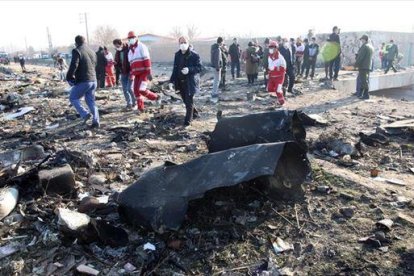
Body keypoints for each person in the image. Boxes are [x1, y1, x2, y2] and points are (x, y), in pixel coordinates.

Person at [66, 35, 99, 128]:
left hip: (84, 80)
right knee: (90, 101)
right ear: (85, 42)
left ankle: (85, 114)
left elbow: (74, 64)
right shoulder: (92, 51)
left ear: (76, 43)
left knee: (73, 97)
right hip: (93, 80)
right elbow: (95, 64)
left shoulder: (77, 51)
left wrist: (69, 76)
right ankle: (96, 121)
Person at [169, 36, 202, 127]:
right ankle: (194, 113)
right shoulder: (177, 55)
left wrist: (189, 69)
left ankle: (188, 122)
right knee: (185, 101)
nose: (183, 44)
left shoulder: (194, 55)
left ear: (188, 43)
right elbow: (175, 69)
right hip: (180, 82)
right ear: (179, 44)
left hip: (190, 82)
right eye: (181, 43)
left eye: (184, 42)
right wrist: (171, 81)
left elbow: (199, 68)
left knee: (189, 101)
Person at [127, 31, 160, 112]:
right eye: (130, 38)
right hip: (137, 74)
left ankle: (156, 97)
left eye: (133, 37)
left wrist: (149, 72)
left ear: (136, 38)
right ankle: (140, 108)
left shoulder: (141, 47)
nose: (131, 39)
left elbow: (147, 59)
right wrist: (132, 75)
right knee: (135, 91)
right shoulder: (130, 51)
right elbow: (131, 65)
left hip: (144, 73)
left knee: (141, 89)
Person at [113, 38, 136, 110]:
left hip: (130, 71)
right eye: (115, 46)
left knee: (129, 88)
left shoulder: (128, 49)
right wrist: (116, 64)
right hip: (123, 72)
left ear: (121, 44)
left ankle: (134, 103)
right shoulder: (118, 52)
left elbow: (132, 62)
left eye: (117, 46)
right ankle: (129, 104)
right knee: (124, 89)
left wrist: (132, 74)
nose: (116, 47)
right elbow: (117, 62)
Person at [266, 41, 286, 105]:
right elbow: (270, 66)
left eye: (272, 47)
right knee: (269, 89)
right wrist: (268, 73)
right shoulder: (269, 57)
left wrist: (275, 69)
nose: (270, 49)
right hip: (272, 77)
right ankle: (278, 94)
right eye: (270, 47)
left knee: (278, 90)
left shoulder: (280, 58)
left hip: (279, 77)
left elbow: (283, 68)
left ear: (276, 48)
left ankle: (282, 102)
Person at [354, 35, 373, 100]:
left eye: (362, 39)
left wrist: (356, 64)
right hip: (367, 66)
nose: (361, 41)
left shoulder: (364, 46)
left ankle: (366, 95)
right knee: (364, 80)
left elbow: (360, 57)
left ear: (364, 39)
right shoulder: (370, 46)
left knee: (363, 81)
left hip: (363, 66)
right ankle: (361, 94)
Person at [210, 37, 223, 103]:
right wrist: (218, 67)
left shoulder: (213, 48)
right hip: (216, 67)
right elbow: (217, 59)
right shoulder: (218, 49)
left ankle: (214, 92)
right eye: (223, 42)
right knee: (217, 80)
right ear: (221, 42)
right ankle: (214, 93)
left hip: (213, 66)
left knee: (216, 80)